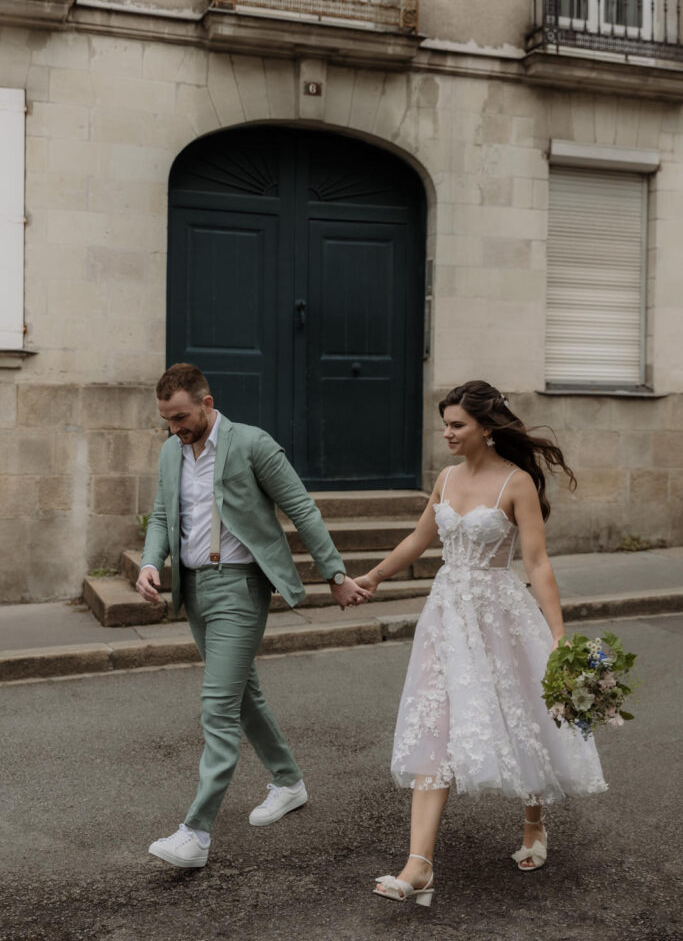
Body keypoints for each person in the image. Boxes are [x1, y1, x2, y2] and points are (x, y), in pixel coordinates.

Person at [354, 380, 607, 905]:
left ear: (486, 429)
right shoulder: (445, 479)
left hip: (500, 614)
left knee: (522, 714)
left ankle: (534, 824)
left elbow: (536, 563)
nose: (446, 433)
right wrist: (373, 578)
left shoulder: (516, 484)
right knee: (435, 723)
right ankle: (418, 865)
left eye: (456, 425)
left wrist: (558, 635)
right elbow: (420, 539)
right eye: (444, 424)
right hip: (447, 616)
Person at [136, 363, 368, 868]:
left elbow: (302, 509)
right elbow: (161, 514)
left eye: (181, 417)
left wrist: (335, 575)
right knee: (244, 697)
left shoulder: (252, 444)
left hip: (240, 588)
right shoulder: (171, 452)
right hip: (194, 590)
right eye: (167, 420)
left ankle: (195, 833)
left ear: (207, 402)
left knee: (217, 706)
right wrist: (151, 562)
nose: (175, 428)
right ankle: (288, 782)